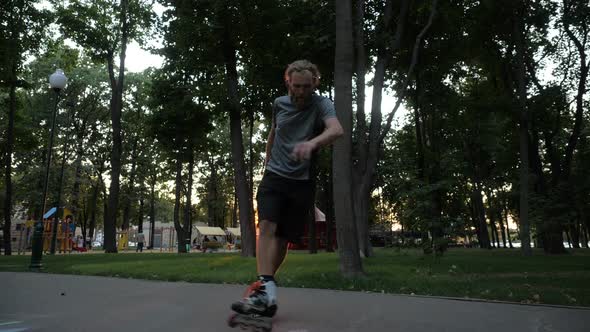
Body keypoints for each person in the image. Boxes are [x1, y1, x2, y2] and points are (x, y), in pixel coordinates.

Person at [230, 60, 343, 318]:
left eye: (307, 86)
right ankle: (264, 289)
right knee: (267, 226)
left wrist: (312, 144)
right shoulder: (279, 103)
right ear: (288, 82)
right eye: (296, 86)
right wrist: (268, 160)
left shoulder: (321, 103)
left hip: (301, 182)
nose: (301, 92)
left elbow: (337, 129)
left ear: (314, 83)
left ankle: (266, 291)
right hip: (274, 177)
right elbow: (274, 131)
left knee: (282, 238)